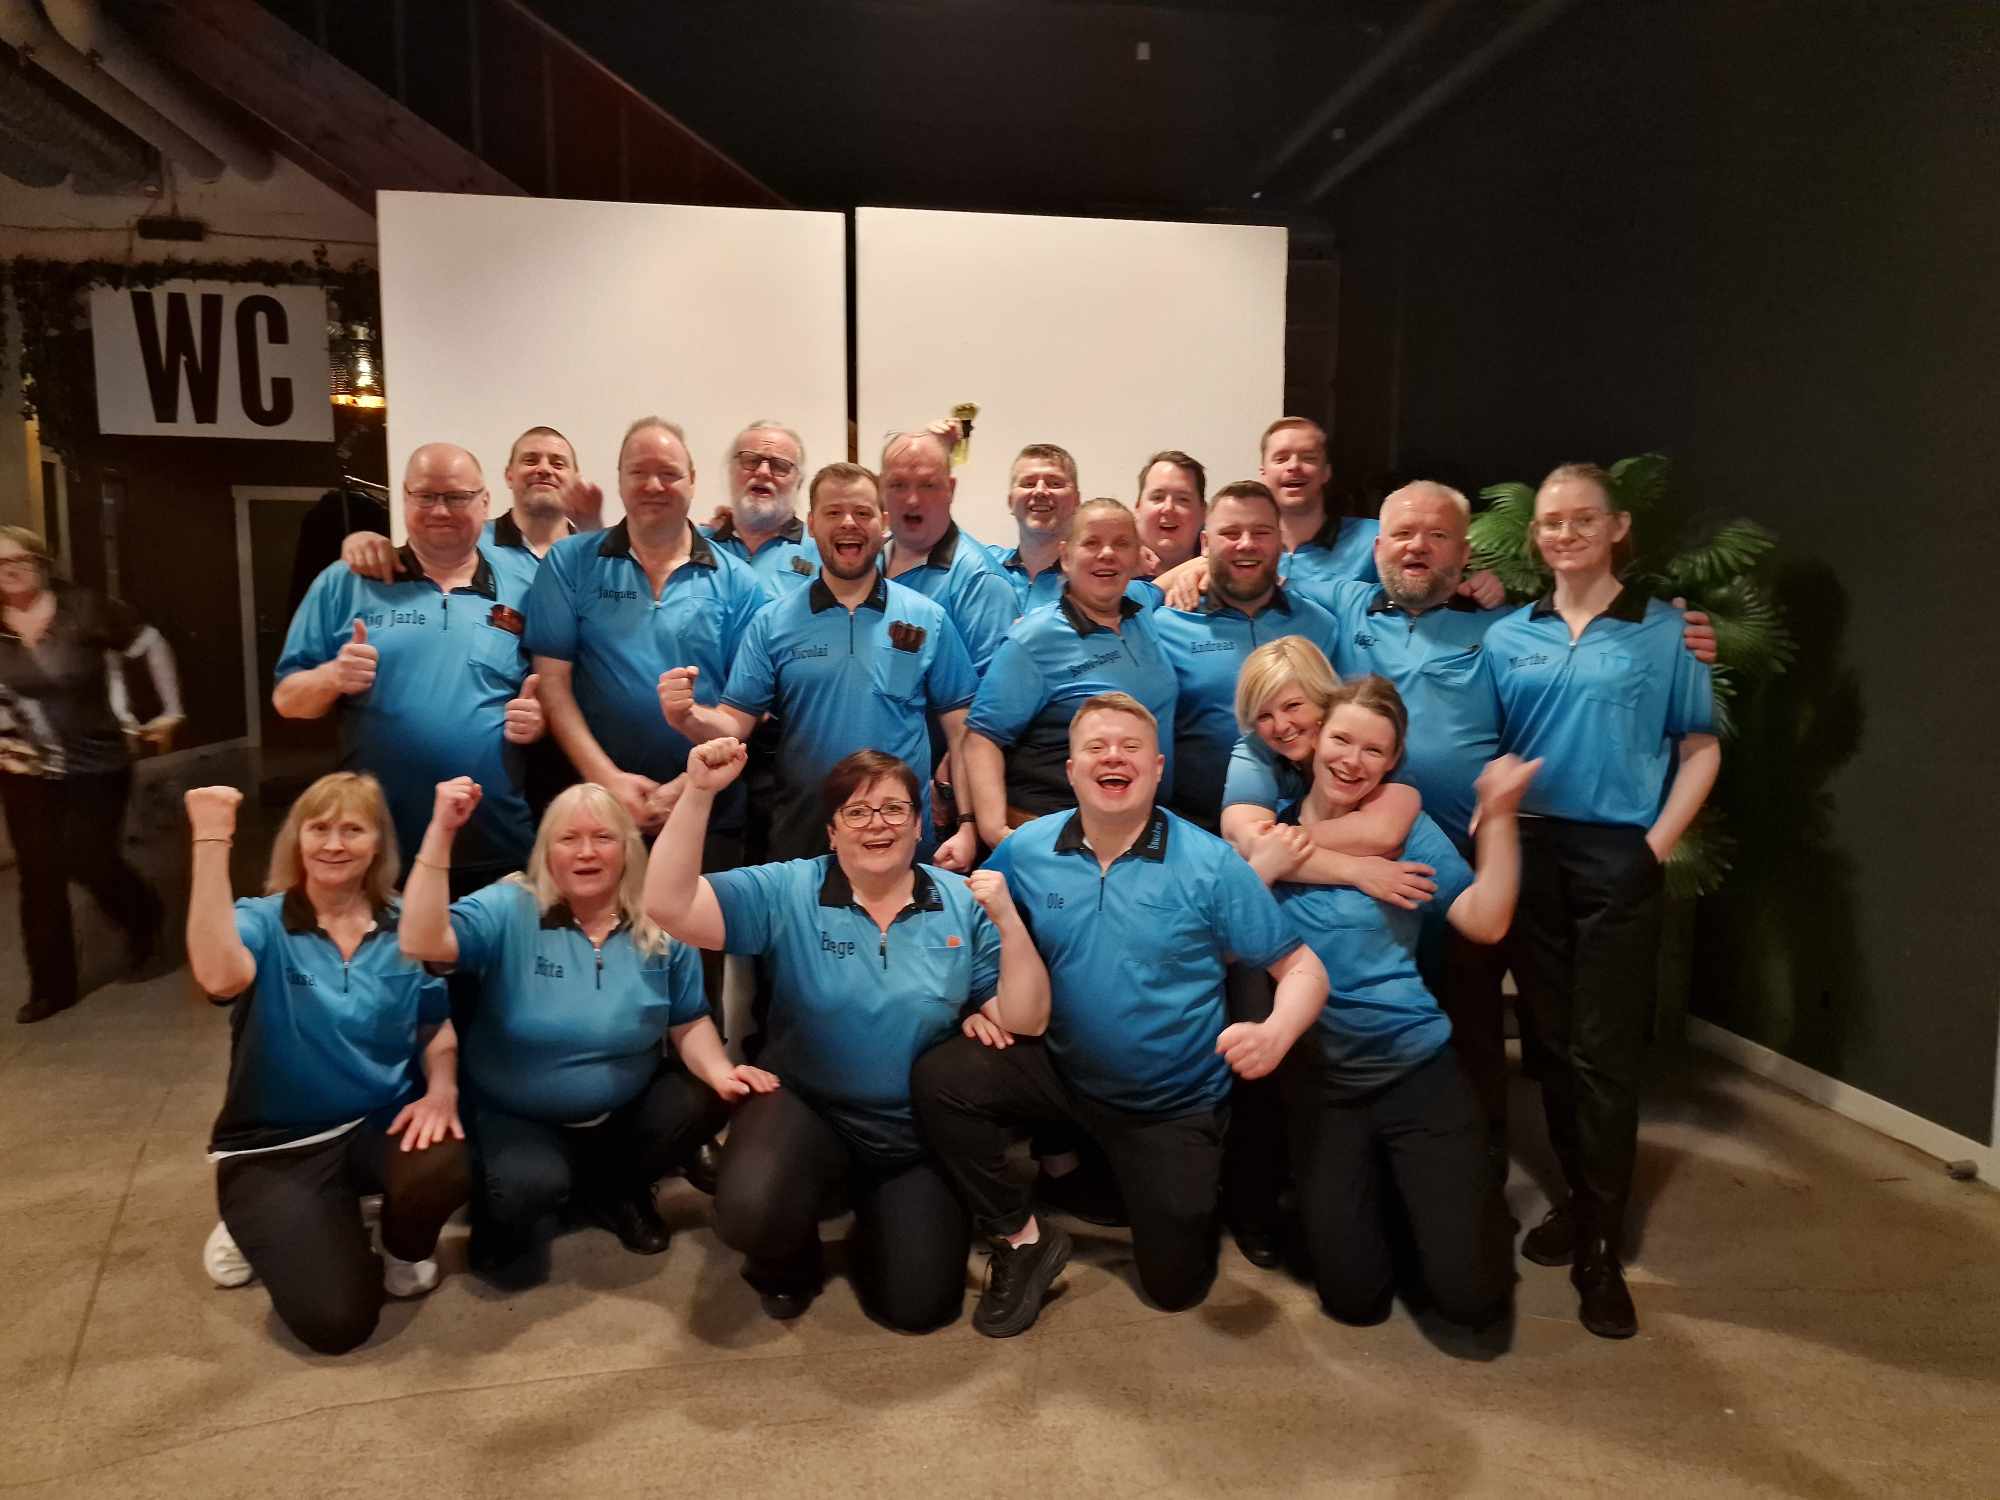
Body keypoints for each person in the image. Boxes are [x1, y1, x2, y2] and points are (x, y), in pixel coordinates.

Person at [912, 694, 1329, 1336]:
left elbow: (1303, 969)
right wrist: (978, 999)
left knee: (1175, 1289)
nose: (1113, 758)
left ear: (1158, 768)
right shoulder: (1030, 849)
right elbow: (970, 920)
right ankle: (1022, 1234)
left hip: (1169, 1103)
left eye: (1131, 747)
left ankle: (1155, 1184)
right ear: (1072, 769)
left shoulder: (1210, 863)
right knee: (942, 1078)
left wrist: (1277, 1031)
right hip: (1062, 1071)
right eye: (1097, 748)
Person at [646, 741, 1050, 1331]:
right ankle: (788, 1263)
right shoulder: (789, 889)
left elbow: (1026, 1019)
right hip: (807, 1106)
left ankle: (877, 1216)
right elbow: (668, 904)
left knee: (918, 1309)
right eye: (856, 812)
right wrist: (700, 793)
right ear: (832, 832)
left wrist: (1008, 923)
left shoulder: (961, 903)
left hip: (912, 1129)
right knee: (751, 1209)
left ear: (919, 825)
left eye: (894, 809)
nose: (876, 824)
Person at [1482, 461, 1720, 1340]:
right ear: (1535, 536)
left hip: (1617, 853)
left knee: (1604, 1053)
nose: (1566, 534)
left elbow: (1700, 748)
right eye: (1551, 522)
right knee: (1549, 1045)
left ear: (1618, 528)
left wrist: (1652, 848)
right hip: (1530, 852)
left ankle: (1601, 1248)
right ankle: (1580, 1201)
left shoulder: (1666, 633)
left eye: (1584, 519)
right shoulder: (1507, 636)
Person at [1242, 675, 1534, 1331]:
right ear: (1316, 739)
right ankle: (1387, 1206)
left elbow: (1485, 920)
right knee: (1354, 1302)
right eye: (1342, 740)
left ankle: (1444, 1210)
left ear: (1393, 760)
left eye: (1374, 750)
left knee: (1470, 1300)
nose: (1353, 761)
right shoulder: (1267, 833)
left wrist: (1500, 815)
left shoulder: (1408, 829)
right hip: (1325, 1088)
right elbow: (1224, 936)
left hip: (1417, 1071)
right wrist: (1283, 862)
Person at [399, 776, 754, 1281]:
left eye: (603, 837)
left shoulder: (660, 921)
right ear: (546, 852)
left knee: (705, 1095)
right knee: (527, 1189)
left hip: (621, 1108)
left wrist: (722, 1073)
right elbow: (421, 941)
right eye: (569, 838)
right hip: (517, 1113)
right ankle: (505, 1209)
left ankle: (617, 1191)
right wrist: (441, 831)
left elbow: (688, 1018)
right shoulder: (509, 908)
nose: (586, 852)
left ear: (627, 849)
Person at [184, 774, 468, 1355]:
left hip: (376, 1122)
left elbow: (433, 1024)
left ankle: (401, 1246)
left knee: (446, 1158)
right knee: (338, 1324)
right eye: (319, 828)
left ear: (377, 844)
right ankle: (260, 1222)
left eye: (352, 830)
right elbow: (218, 976)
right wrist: (211, 840)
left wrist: (442, 1090)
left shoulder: (404, 924)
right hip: (278, 1143)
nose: (334, 844)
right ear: (297, 839)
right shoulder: (263, 920)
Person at [661, 462, 978, 867]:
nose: (848, 523)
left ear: (883, 523)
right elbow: (733, 726)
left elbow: (963, 732)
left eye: (862, 512)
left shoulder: (927, 617)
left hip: (901, 842)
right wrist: (687, 716)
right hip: (802, 842)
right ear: (811, 524)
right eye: (833, 512)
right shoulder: (772, 622)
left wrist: (967, 825)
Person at [275, 443, 546, 898]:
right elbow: (287, 700)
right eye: (425, 496)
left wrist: (540, 721)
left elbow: (554, 687)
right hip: (378, 850)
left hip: (495, 845)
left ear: (485, 502)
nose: (440, 510)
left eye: (456, 496)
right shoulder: (345, 581)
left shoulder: (525, 587)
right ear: (404, 498)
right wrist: (332, 677)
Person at [526, 416, 767, 839]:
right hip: (596, 813)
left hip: (710, 810)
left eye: (669, 473)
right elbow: (552, 683)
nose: (653, 486)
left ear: (692, 480)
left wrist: (688, 787)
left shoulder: (740, 583)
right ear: (620, 479)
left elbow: (744, 714)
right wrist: (606, 779)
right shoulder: (569, 563)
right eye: (638, 472)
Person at [0, 525, 177, 1023]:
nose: (9, 571)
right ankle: (50, 986)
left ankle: (143, 915)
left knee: (87, 855)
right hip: (23, 764)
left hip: (97, 760)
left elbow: (151, 643)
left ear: (42, 562)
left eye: (19, 559)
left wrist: (172, 709)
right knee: (38, 873)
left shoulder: (85, 608)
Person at [961, 500, 1179, 848]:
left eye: (1121, 543)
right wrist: (994, 831)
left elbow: (1166, 583)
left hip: (1136, 827)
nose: (1107, 554)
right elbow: (981, 737)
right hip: (1055, 833)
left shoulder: (1140, 606)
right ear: (1065, 556)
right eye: (1091, 543)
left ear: (1138, 555)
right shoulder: (1034, 638)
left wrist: (1205, 564)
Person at [1150, 481, 1343, 833]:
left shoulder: (1321, 624)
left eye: (1261, 532)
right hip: (1193, 831)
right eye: (1230, 533)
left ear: (1280, 541)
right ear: (1205, 544)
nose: (1246, 544)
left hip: (1306, 832)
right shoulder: (1164, 626)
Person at [340, 425, 598, 593]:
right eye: (530, 460)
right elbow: (416, 555)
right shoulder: (464, 540)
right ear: (508, 475)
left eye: (558, 463)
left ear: (576, 478)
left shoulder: (594, 555)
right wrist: (364, 542)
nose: (544, 469)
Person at [877, 427, 1019, 677]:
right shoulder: (865, 560)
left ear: (950, 489)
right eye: (898, 484)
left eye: (928, 485)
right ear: (881, 488)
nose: (912, 499)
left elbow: (996, 694)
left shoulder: (981, 581)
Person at [703, 419, 820, 594]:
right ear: (730, 470)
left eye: (779, 465)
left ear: (799, 481)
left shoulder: (821, 553)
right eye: (751, 460)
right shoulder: (696, 546)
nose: (763, 472)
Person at [1132, 449, 1207, 575]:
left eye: (1183, 499)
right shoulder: (1106, 572)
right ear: (1137, 509)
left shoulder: (1225, 578)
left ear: (1203, 512)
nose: (1168, 508)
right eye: (1157, 497)